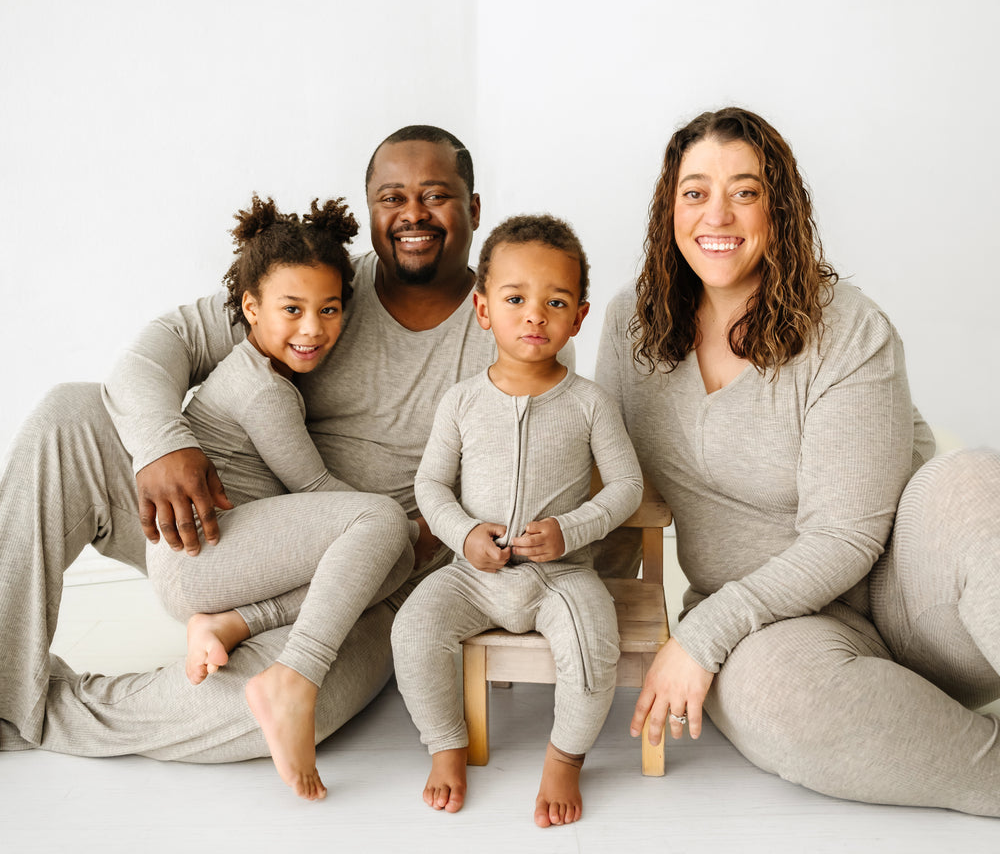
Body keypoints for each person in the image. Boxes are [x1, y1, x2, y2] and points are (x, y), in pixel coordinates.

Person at [0, 125, 498, 766]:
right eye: (392, 197)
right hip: (210, 523)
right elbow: (161, 346)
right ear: (370, 208)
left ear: (474, 209)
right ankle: (7, 682)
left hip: (368, 580)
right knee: (68, 413)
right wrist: (162, 444)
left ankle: (36, 713)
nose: (413, 215)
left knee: (276, 709)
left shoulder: (509, 322)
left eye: (436, 196)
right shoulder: (319, 286)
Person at [596, 106, 1000, 816]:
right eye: (695, 192)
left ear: (781, 208)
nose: (716, 213)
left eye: (745, 191)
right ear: (669, 209)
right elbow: (611, 486)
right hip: (780, 630)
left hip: (908, 601)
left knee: (974, 482)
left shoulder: (848, 325)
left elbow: (846, 537)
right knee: (773, 699)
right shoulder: (631, 325)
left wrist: (702, 634)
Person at [145, 194, 416, 800]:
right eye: (291, 310)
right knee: (383, 530)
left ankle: (230, 625)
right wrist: (406, 524)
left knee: (386, 550)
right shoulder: (262, 390)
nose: (313, 329)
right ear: (250, 307)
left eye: (329, 309)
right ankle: (291, 680)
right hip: (200, 558)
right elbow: (315, 489)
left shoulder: (270, 376)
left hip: (224, 559)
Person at [392, 215, 642, 828]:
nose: (535, 315)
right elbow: (429, 484)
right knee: (413, 631)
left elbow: (628, 487)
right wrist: (464, 535)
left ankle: (564, 758)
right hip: (473, 575)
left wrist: (570, 531)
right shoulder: (461, 402)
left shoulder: (590, 404)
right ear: (483, 310)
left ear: (578, 317)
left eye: (555, 301)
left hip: (562, 576)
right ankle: (446, 744)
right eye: (515, 299)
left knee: (591, 648)